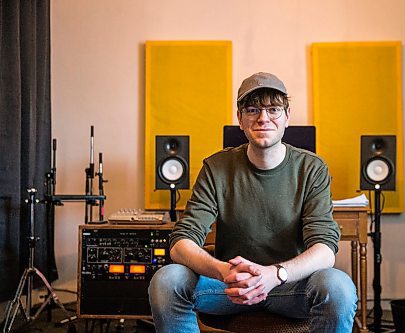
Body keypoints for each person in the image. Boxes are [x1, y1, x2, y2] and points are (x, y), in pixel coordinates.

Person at [149, 72, 357, 332]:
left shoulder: (312, 168)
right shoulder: (216, 167)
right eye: (252, 109)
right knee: (167, 280)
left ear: (287, 116)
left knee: (338, 287)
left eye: (273, 109)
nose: (263, 118)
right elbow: (181, 243)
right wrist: (223, 271)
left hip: (289, 286)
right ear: (240, 118)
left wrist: (275, 274)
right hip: (230, 286)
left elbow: (325, 249)